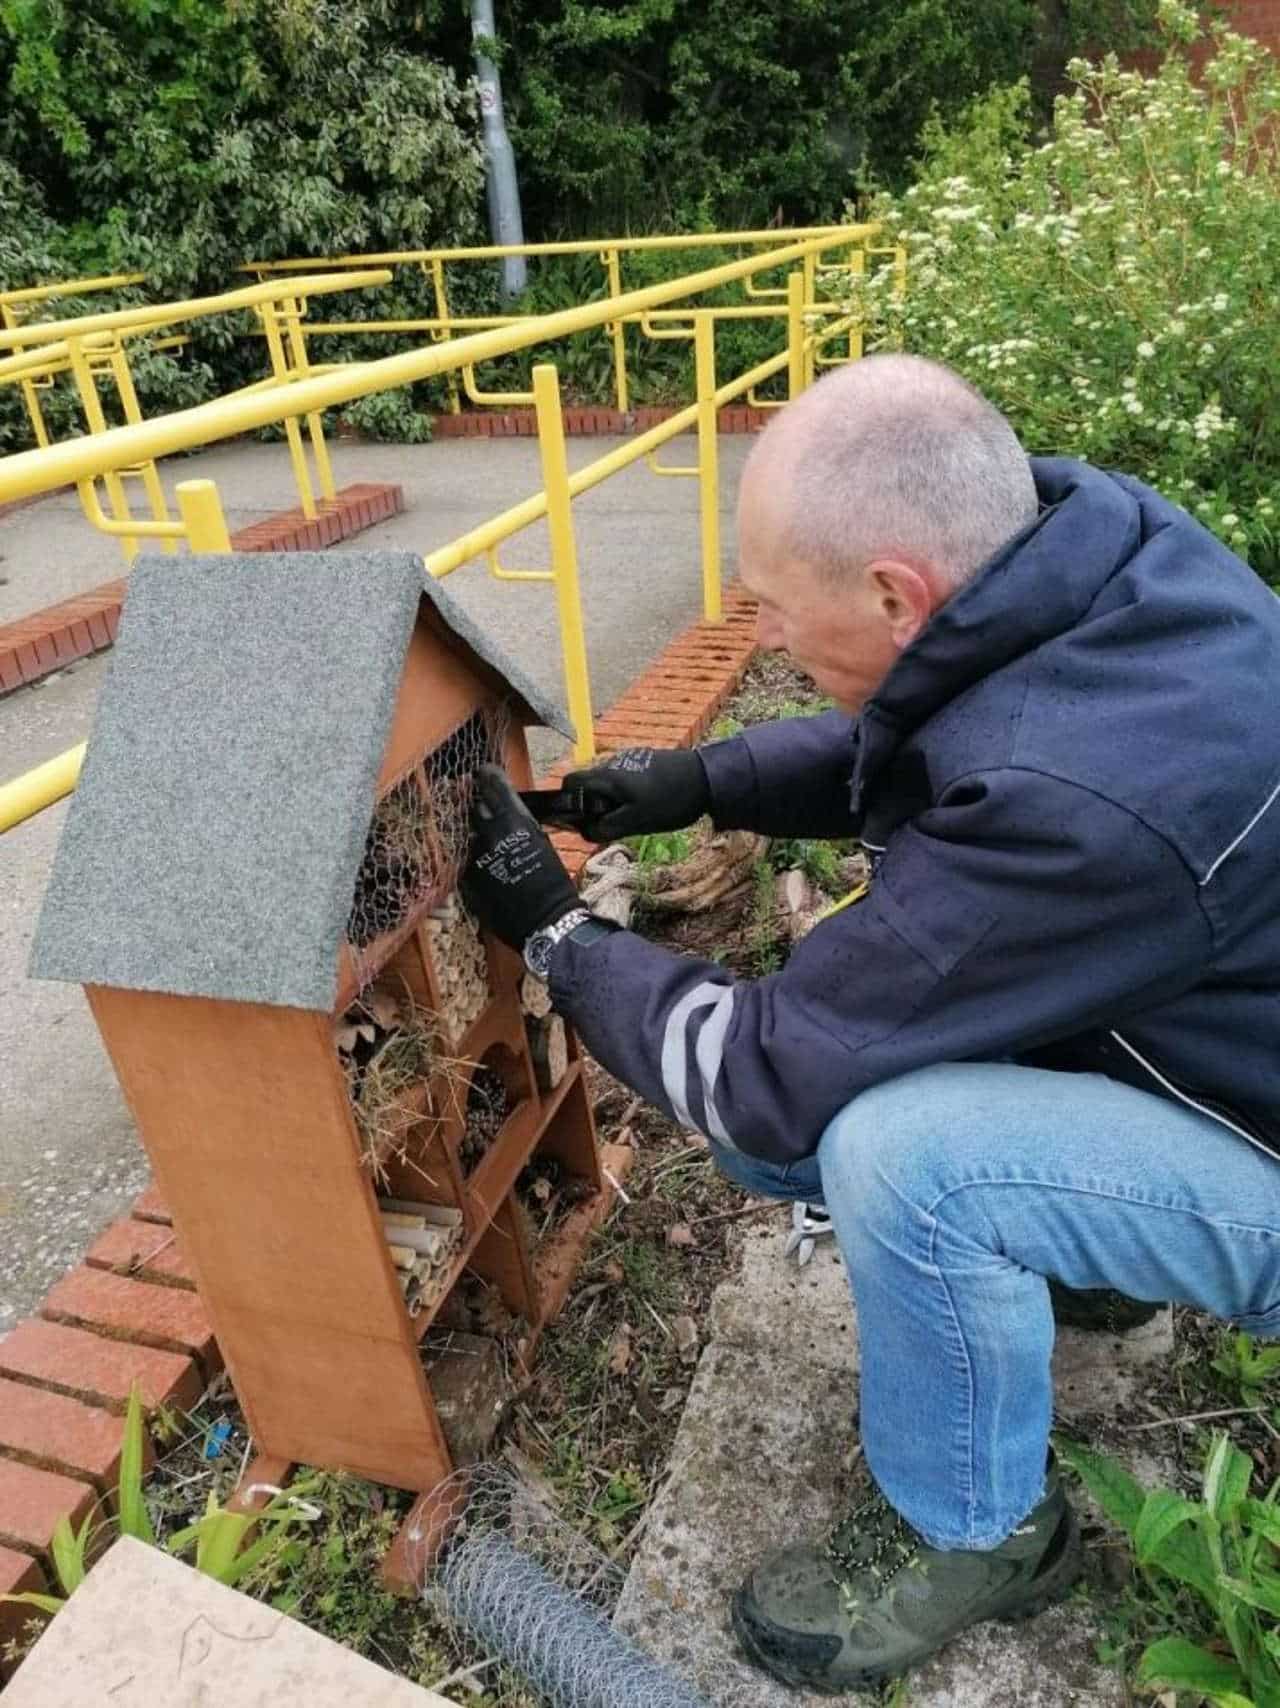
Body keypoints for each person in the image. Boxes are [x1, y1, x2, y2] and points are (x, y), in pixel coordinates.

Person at [462, 353, 1280, 1693]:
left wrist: (561, 941)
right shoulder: (1093, 558)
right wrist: (690, 782)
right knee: (858, 1087)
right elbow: (931, 738)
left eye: (776, 613)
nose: (767, 640)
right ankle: (1097, 1258)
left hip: (1258, 1140)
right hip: (1219, 1029)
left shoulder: (1073, 798)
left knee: (896, 1155)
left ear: (895, 591)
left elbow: (772, 1077)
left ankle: (982, 1527)